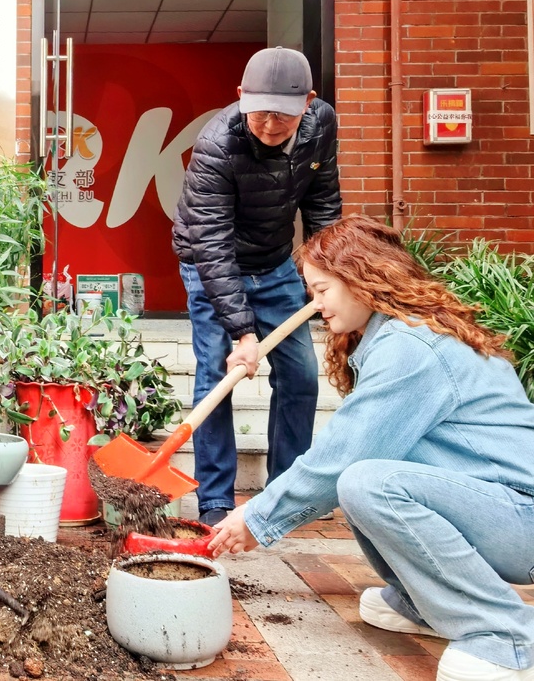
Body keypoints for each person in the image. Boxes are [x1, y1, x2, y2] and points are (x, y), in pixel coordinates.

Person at [209, 215, 534, 681]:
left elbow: (345, 452)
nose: (315, 303)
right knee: (366, 474)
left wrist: (258, 517)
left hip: (522, 520)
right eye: (311, 291)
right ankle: (422, 603)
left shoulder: (412, 346)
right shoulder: (400, 335)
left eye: (323, 289)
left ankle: (503, 635)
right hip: (499, 509)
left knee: (365, 480)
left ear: (362, 278)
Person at [172, 45, 341, 526]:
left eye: (282, 115)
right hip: (209, 263)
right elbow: (212, 245)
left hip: (273, 263)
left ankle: (286, 493)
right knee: (215, 374)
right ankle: (215, 499)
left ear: (308, 102)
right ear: (241, 96)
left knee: (301, 373)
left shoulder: (321, 126)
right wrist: (244, 335)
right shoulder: (216, 145)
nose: (269, 125)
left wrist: (326, 272)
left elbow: (323, 204)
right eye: (260, 112)